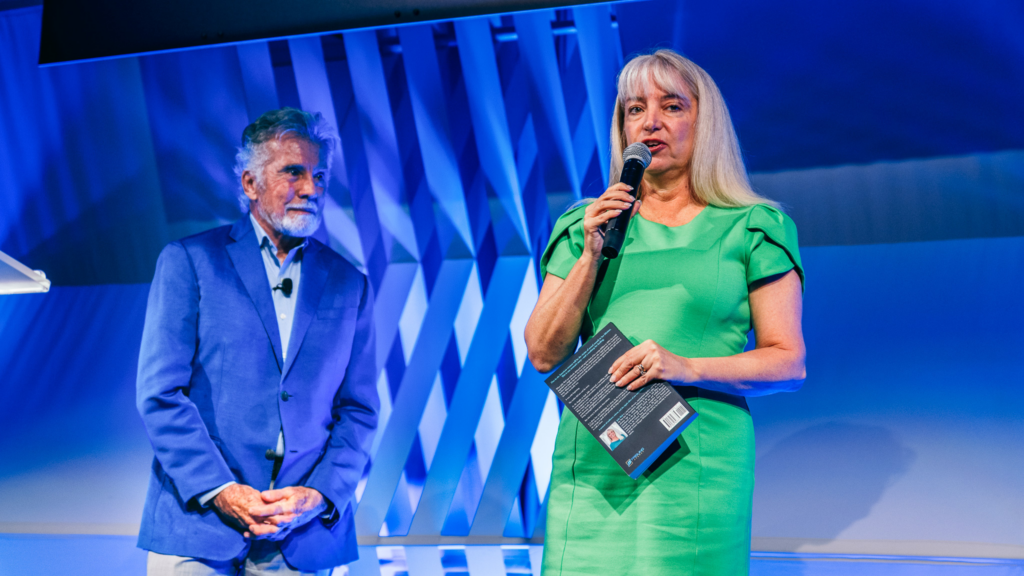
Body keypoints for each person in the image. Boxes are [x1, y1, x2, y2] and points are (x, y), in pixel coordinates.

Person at [525, 50, 806, 575]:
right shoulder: (582, 225)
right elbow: (544, 352)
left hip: (696, 462)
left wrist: (685, 365)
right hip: (596, 463)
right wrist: (590, 252)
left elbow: (788, 363)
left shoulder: (753, 226)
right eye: (635, 109)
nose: (650, 121)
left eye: (671, 106)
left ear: (705, 122)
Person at [136, 108, 378, 575]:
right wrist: (223, 491)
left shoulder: (350, 283)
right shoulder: (189, 262)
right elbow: (160, 394)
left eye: (320, 175)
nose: (311, 188)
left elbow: (360, 410)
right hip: (200, 522)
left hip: (302, 530)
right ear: (250, 183)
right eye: (294, 172)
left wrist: (320, 494)